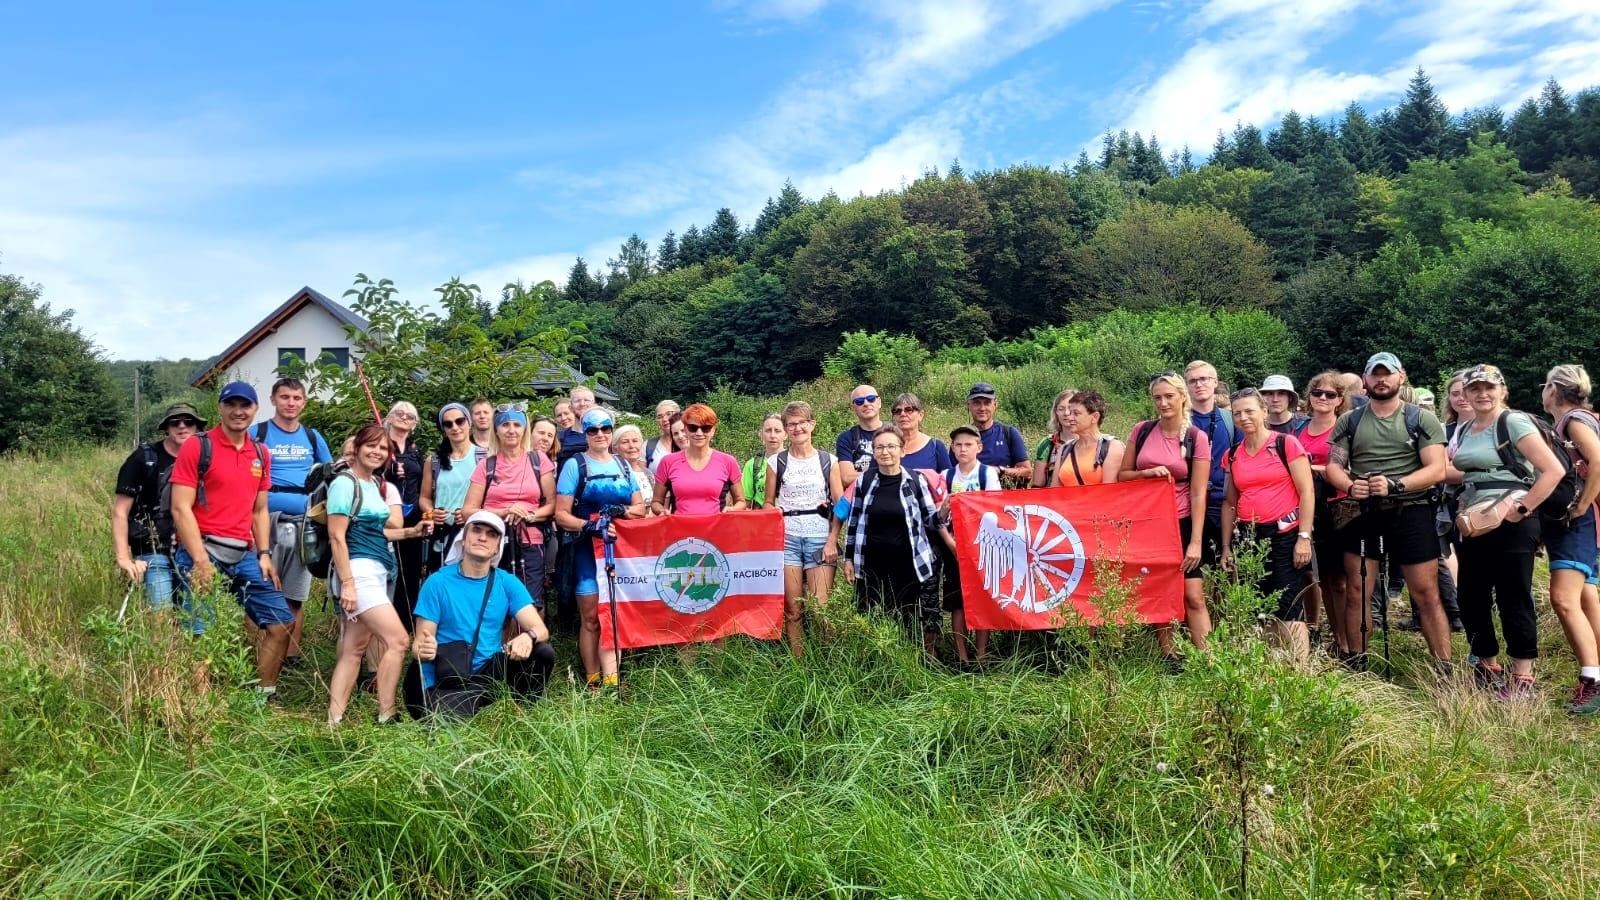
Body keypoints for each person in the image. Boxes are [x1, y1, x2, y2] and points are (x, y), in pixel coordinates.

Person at [1444, 365, 1567, 699]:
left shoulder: (1512, 422)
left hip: (1513, 522)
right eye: (1475, 389)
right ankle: (1486, 665)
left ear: (1502, 390)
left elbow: (1552, 470)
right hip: (1474, 521)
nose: (1482, 394)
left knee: (1514, 595)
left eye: (1489, 388)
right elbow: (1460, 471)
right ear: (1465, 394)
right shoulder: (1467, 427)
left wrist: (1524, 509)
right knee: (1471, 595)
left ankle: (1522, 677)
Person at [1325, 352, 1453, 670]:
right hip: (1364, 510)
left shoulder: (1420, 418)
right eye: (1375, 374)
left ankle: (1445, 666)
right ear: (1365, 381)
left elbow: (1437, 468)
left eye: (1388, 373)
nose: (1381, 379)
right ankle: (1358, 660)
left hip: (1412, 510)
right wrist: (1351, 486)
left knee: (1425, 591)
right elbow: (1334, 466)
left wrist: (1396, 485)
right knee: (1358, 590)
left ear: (1401, 377)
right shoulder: (1349, 420)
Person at [168, 381, 294, 702]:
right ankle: (201, 707)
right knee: (201, 634)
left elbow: (260, 509)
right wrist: (200, 561)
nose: (238, 411)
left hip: (245, 554)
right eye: (231, 405)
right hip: (203, 550)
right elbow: (181, 507)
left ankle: (262, 696)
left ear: (255, 409)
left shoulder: (260, 454)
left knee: (280, 624)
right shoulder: (198, 447)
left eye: (246, 405)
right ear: (220, 409)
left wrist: (265, 554)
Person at [325, 423, 435, 725]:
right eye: (371, 445)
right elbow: (337, 537)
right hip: (357, 573)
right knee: (398, 640)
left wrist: (412, 531)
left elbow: (380, 532)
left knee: (354, 649)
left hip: (375, 571)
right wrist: (346, 584)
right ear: (357, 448)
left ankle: (334, 719)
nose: (377, 452)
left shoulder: (374, 484)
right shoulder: (344, 483)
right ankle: (386, 713)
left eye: (383, 448)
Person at [409, 511, 555, 718]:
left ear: (497, 547)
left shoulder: (507, 582)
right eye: (476, 530)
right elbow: (419, 645)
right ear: (464, 538)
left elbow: (540, 629)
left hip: (489, 674)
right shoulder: (437, 582)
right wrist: (424, 649)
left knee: (543, 652)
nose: (483, 537)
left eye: (492, 534)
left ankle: (522, 715)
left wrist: (527, 636)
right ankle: (450, 705)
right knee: (445, 725)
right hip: (448, 677)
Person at [1219, 389, 1317, 667]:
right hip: (1250, 536)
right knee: (1260, 605)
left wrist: (1304, 537)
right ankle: (1273, 667)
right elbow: (1229, 502)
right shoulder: (1233, 455)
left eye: (1249, 411)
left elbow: (1307, 492)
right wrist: (1226, 547)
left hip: (1286, 533)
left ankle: (1299, 670)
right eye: (1237, 413)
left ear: (1264, 412)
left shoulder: (1286, 445)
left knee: (1288, 605)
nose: (1243, 417)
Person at [1121, 372, 1212, 660]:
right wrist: (1146, 473)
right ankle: (1169, 655)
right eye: (1157, 397)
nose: (1163, 403)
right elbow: (1123, 476)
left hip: (1183, 521)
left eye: (1169, 396)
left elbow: (1199, 493)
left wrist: (1195, 541)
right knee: (1159, 590)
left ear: (1183, 397)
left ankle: (1209, 659)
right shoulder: (1142, 430)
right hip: (1148, 522)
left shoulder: (1196, 438)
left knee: (1193, 595)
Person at [842, 428, 953, 657]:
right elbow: (853, 522)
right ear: (873, 453)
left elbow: (929, 520)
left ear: (902, 450)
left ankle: (908, 663)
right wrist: (849, 559)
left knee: (908, 616)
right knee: (870, 615)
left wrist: (943, 513)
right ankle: (875, 662)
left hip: (907, 564)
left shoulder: (915, 480)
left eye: (891, 446)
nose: (885, 452)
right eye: (880, 447)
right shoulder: (866, 480)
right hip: (871, 562)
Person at [554, 409, 645, 689]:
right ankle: (593, 679)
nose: (600, 435)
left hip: (617, 548)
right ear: (585, 433)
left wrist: (622, 510)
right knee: (591, 617)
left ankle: (613, 679)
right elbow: (561, 514)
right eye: (593, 430)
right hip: (584, 549)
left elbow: (640, 508)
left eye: (605, 429)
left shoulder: (624, 465)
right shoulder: (575, 465)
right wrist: (587, 526)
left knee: (615, 614)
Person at [255, 378, 333, 668]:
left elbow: (330, 473)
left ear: (304, 403)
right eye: (285, 397)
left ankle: (290, 658)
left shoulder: (313, 437)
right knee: (262, 588)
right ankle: (257, 655)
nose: (290, 403)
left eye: (296, 398)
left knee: (294, 594)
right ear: (273, 399)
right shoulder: (258, 433)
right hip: (265, 519)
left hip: (305, 522)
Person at [1542, 365, 1600, 713]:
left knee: (1563, 599)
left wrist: (1580, 506)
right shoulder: (1581, 418)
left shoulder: (1572, 421)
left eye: (1545, 385)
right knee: (1586, 595)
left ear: (1554, 390)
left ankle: (1591, 682)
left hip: (1580, 522)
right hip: (1589, 522)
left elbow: (1597, 460)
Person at [764, 401, 843, 658]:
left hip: (820, 537)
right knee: (793, 607)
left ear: (812, 425)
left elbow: (840, 505)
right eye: (792, 424)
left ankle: (826, 660)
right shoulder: (777, 462)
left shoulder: (828, 461)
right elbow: (767, 501)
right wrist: (769, 516)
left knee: (821, 607)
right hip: (787, 537)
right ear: (786, 430)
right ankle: (799, 663)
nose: (797, 428)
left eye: (802, 423)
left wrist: (833, 539)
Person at [461, 403, 556, 604]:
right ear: (496, 429)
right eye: (505, 425)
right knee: (496, 602)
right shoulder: (487, 465)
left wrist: (530, 515)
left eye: (517, 425)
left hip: (531, 540)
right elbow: (468, 511)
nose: (511, 430)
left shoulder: (538, 460)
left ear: (524, 429)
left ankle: (532, 635)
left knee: (531, 602)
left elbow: (552, 504)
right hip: (494, 541)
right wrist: (505, 511)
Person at [113, 403, 204, 612]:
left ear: (197, 427)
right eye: (175, 422)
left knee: (194, 620)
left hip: (194, 549)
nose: (182, 426)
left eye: (188, 422)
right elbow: (120, 511)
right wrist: (124, 558)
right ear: (166, 428)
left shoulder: (206, 458)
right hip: (153, 549)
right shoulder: (144, 458)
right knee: (160, 617)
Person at [942, 424, 1003, 665]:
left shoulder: (987, 474)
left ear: (979, 447)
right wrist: (945, 508)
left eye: (968, 444)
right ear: (952, 448)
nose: (962, 449)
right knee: (957, 602)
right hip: (954, 546)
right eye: (958, 445)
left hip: (982, 545)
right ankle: (961, 656)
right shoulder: (947, 476)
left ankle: (982, 654)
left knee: (982, 598)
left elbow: (996, 507)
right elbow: (939, 516)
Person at [1297, 372, 1349, 649]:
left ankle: (1346, 639)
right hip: (1308, 508)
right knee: (1323, 578)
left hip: (1338, 507)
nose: (1323, 399)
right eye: (1318, 393)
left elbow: (1346, 470)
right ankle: (1335, 635)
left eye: (1331, 395)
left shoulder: (1343, 429)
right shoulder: (1299, 429)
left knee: (1339, 580)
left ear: (1340, 400)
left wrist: (1309, 468)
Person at [420, 402, 488, 575]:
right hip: (442, 535)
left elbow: (495, 496)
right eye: (448, 424)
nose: (455, 427)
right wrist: (432, 512)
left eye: (459, 421)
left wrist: (473, 512)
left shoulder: (485, 457)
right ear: (443, 429)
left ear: (469, 423)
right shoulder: (433, 461)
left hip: (476, 533)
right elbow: (425, 497)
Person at [1186, 361, 1238, 569]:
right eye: (1193, 381)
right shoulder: (1180, 421)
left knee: (1226, 568)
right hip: (1187, 505)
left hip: (1223, 503)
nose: (1199, 384)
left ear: (1215, 382)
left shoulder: (1231, 419)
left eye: (1204, 379)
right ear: (1186, 386)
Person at [653, 403, 747, 515]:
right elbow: (656, 502)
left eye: (706, 428)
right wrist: (662, 511)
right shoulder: (668, 462)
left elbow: (741, 501)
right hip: (680, 529)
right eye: (693, 428)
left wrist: (732, 509)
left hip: (716, 529)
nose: (699, 433)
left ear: (713, 431)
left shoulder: (728, 461)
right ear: (686, 429)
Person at [381, 401, 426, 631]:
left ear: (414, 424)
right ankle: (386, 620)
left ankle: (407, 622)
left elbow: (422, 481)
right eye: (400, 413)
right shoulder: (380, 443)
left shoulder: (414, 449)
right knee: (390, 566)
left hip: (413, 516)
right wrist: (389, 469)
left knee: (411, 568)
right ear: (390, 416)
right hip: (387, 515)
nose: (404, 418)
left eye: (410, 416)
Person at [1054, 391, 1124, 488]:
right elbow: (1055, 491)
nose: (1069, 418)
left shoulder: (1111, 447)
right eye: (1070, 413)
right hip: (1066, 503)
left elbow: (1109, 493)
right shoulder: (1065, 449)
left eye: (1076, 413)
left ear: (1095, 417)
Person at [965, 382, 1030, 484]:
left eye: (987, 403)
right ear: (968, 405)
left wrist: (1000, 471)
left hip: (1005, 497)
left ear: (995, 405)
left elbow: (1027, 472)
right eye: (976, 403)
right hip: (972, 497)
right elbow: (952, 474)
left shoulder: (1009, 433)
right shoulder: (961, 437)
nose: (982, 408)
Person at [836, 384, 885, 488]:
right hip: (861, 496)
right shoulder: (846, 438)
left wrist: (863, 474)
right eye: (859, 401)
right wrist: (884, 472)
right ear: (853, 408)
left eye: (871, 399)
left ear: (879, 402)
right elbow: (846, 478)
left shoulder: (895, 433)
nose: (866, 404)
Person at [891, 393, 952, 473]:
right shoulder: (884, 447)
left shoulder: (935, 447)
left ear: (921, 415)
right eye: (898, 411)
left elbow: (949, 480)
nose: (902, 414)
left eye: (909, 410)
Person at [1031, 389, 1076, 488]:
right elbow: (1037, 485)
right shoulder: (1048, 443)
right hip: (1053, 499)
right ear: (1056, 412)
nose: (1066, 413)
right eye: (1061, 409)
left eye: (1070, 408)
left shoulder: (1090, 442)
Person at [742, 413, 786, 510]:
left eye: (777, 431)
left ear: (786, 434)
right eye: (768, 431)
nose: (772, 435)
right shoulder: (752, 465)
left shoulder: (794, 461)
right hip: (762, 520)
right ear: (761, 434)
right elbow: (745, 502)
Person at [556, 387, 598, 467]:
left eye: (587, 400)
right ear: (570, 407)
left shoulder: (605, 435)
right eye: (577, 401)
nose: (582, 404)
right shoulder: (559, 438)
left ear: (594, 405)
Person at [645, 400, 682, 468]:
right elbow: (640, 473)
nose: (664, 419)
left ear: (678, 415)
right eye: (660, 417)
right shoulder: (649, 446)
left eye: (668, 414)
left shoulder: (692, 441)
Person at [651, 414, 687, 479]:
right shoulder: (668, 463)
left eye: (683, 430)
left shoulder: (709, 459)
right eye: (675, 434)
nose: (680, 436)